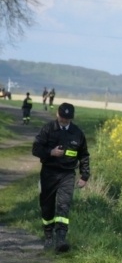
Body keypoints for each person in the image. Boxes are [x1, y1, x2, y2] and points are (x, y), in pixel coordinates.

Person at [31, 102, 90, 252]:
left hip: (67, 174)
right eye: (63, 117)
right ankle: (49, 235)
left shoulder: (77, 133)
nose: (64, 121)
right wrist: (50, 152)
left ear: (72, 118)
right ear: (58, 114)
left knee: (64, 205)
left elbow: (84, 155)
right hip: (49, 173)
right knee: (47, 206)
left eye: (68, 119)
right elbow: (36, 149)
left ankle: (61, 239)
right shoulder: (48, 129)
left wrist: (84, 176)